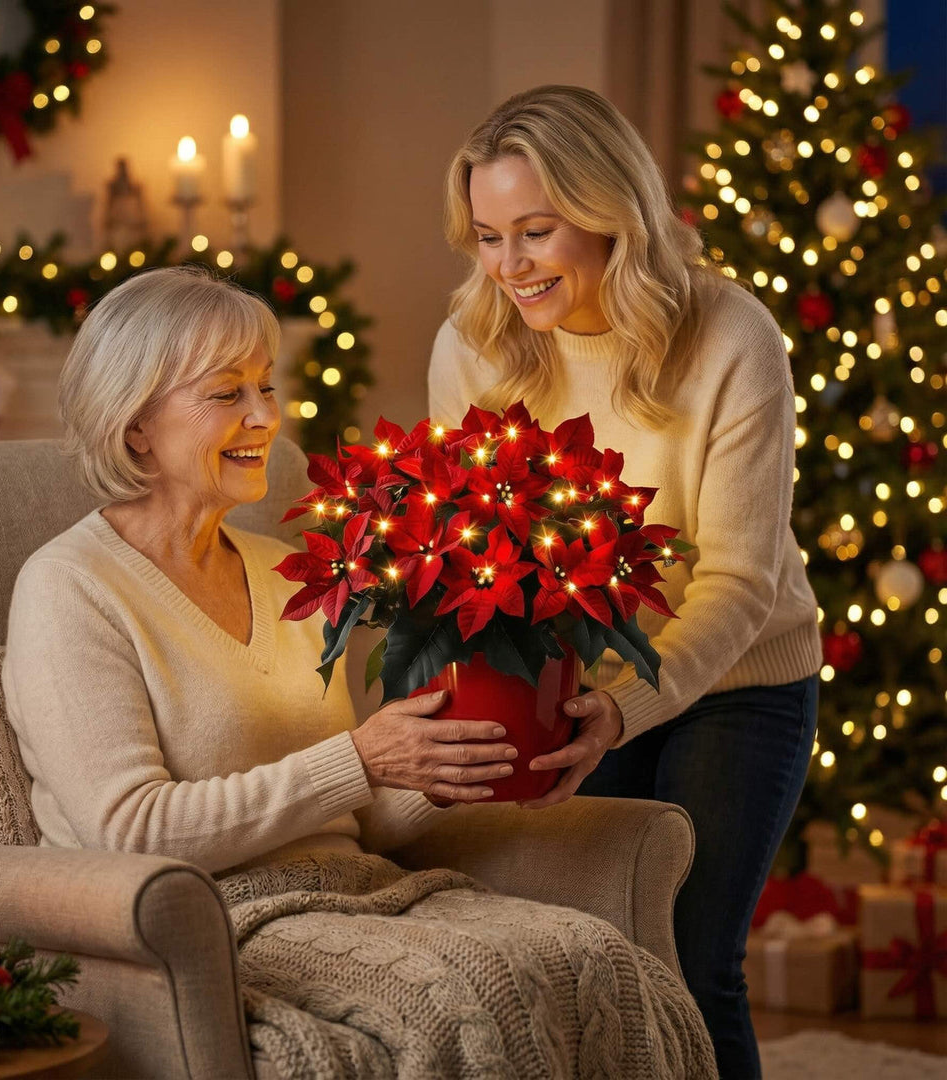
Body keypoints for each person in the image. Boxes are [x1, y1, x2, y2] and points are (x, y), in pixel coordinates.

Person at [2, 266, 716, 1078]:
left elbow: (359, 809)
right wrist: (362, 759)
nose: (266, 416)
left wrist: (447, 767)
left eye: (266, 387)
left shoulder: (290, 574)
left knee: (599, 958)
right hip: (214, 922)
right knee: (465, 999)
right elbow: (127, 831)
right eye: (226, 393)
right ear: (135, 427)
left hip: (362, 886)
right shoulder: (70, 587)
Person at [429, 85, 822, 1080]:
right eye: (487, 236)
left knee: (693, 964)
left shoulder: (731, 336)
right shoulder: (474, 346)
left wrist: (627, 704)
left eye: (536, 231)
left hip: (739, 680)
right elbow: (479, 555)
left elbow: (738, 578)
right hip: (576, 680)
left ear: (610, 214)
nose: (510, 266)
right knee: (593, 960)